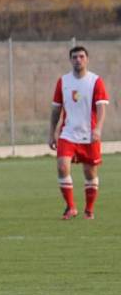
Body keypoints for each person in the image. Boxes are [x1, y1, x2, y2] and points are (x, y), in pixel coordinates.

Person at [48, 45, 110, 220]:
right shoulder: (63, 81)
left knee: (90, 173)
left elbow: (101, 108)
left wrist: (98, 128)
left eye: (81, 57)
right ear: (70, 60)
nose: (78, 60)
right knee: (62, 166)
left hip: (89, 135)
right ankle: (71, 207)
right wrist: (51, 132)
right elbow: (55, 110)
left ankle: (89, 210)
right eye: (74, 57)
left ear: (87, 59)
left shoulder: (95, 81)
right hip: (67, 134)